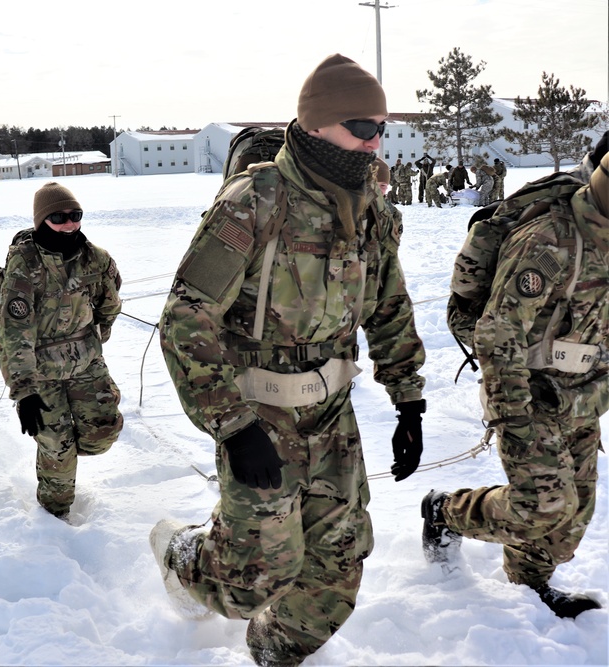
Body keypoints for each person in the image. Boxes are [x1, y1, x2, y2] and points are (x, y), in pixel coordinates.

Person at [153, 54, 426, 667]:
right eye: (361, 125)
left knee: (341, 560)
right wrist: (232, 425)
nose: (375, 139)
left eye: (381, 126)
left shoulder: (370, 211)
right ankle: (181, 553)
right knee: (253, 580)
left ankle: (275, 652)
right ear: (318, 122)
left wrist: (408, 396)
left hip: (332, 416)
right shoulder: (256, 202)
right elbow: (187, 316)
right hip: (258, 415)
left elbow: (388, 305)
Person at [423, 154, 609, 619]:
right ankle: (444, 512)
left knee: (573, 517)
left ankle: (528, 585)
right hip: (525, 390)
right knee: (543, 505)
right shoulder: (548, 242)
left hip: (581, 394)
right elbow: (497, 333)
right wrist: (515, 418)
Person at [0, 182, 123, 520]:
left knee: (102, 431)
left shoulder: (97, 258)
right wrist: (25, 391)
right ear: (41, 221)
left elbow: (109, 303)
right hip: (39, 368)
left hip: (85, 362)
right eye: (58, 217)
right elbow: (14, 331)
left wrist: (96, 338)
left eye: (75, 215)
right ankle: (53, 516)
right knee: (58, 445)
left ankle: (60, 447)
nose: (69, 224)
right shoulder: (24, 264)